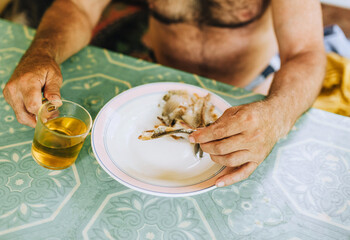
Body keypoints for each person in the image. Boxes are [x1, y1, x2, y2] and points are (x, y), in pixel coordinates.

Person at [3, 0, 326, 187]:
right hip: (155, 73)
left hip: (251, 88)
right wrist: (41, 53)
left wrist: (276, 116)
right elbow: (78, 7)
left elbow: (305, 52)